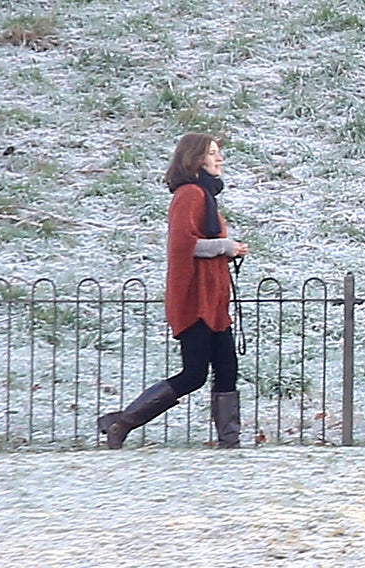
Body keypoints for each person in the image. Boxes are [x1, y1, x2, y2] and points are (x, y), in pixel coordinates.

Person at [96, 133, 250, 448]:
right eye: (212, 153)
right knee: (194, 375)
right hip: (195, 302)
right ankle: (121, 423)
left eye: (219, 153)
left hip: (213, 302)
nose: (219, 159)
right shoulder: (190, 195)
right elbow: (183, 245)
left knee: (227, 368)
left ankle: (229, 442)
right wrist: (226, 246)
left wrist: (228, 250)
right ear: (194, 160)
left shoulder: (205, 196)